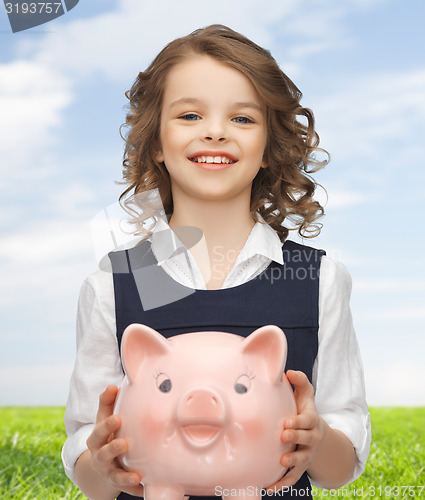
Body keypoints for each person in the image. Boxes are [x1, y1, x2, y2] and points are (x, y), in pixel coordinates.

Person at [62, 24, 371, 500]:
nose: (215, 131)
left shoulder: (318, 279)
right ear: (157, 143)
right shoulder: (114, 283)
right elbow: (88, 459)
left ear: (269, 147)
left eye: (243, 119)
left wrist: (317, 442)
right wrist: (103, 464)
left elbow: (342, 463)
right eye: (189, 114)